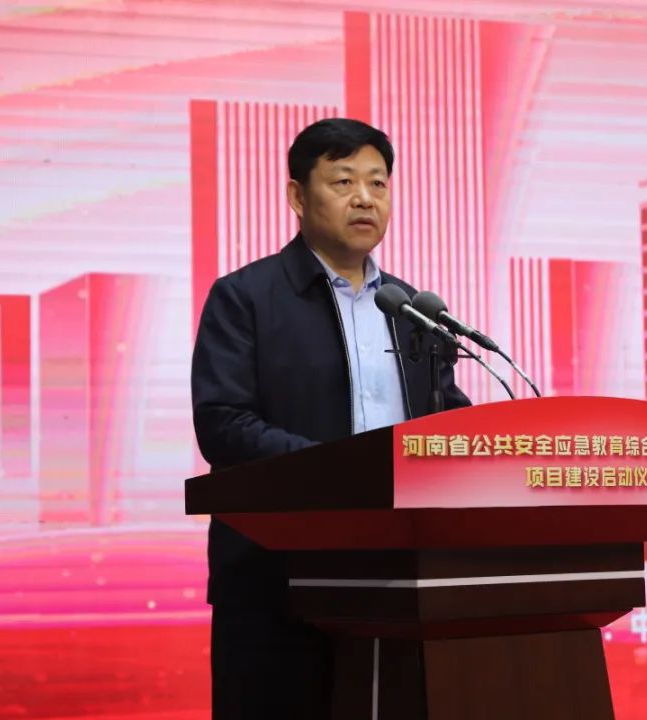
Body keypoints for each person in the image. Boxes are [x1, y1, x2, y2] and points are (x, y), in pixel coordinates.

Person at [191, 118, 470, 719]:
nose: (365, 198)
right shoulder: (245, 297)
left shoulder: (415, 310)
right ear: (298, 196)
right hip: (277, 581)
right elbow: (223, 424)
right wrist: (341, 472)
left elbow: (446, 419)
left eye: (378, 183)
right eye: (343, 182)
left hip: (403, 579)